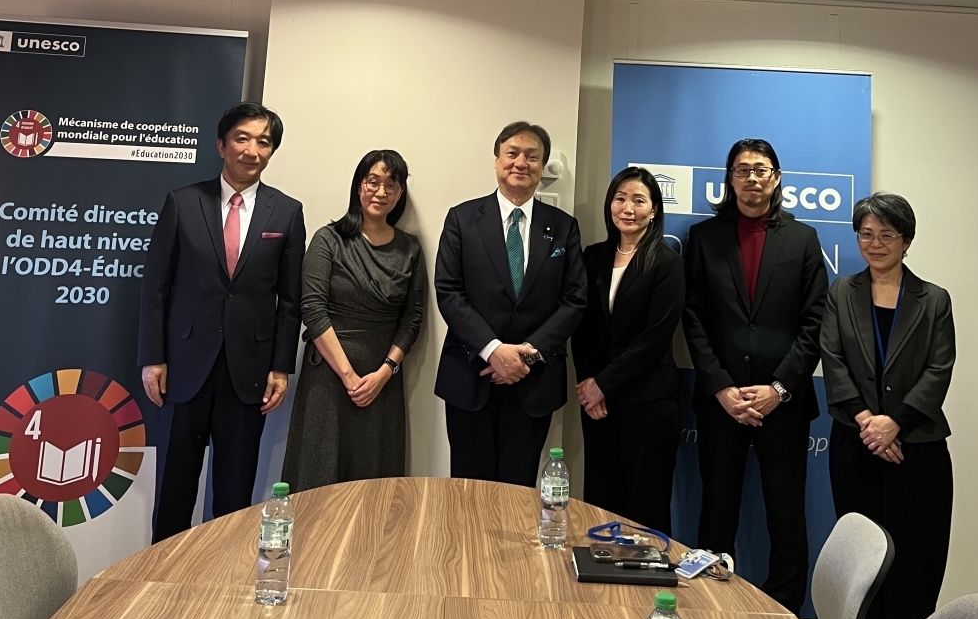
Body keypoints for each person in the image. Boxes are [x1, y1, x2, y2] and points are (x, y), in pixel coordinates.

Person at [138, 102, 305, 543]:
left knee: (233, 499)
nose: (252, 150)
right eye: (242, 138)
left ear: (271, 152)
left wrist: (281, 367)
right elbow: (156, 287)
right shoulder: (183, 202)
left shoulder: (286, 212)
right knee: (173, 493)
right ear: (222, 145)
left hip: (247, 373)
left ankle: (222, 585)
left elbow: (290, 300)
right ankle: (162, 584)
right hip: (184, 366)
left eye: (263, 142)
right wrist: (152, 358)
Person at [682, 139, 827, 615]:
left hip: (782, 404)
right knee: (716, 512)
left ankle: (782, 612)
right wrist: (722, 387)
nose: (752, 178)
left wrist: (779, 389)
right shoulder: (703, 238)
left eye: (761, 170)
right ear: (730, 179)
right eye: (742, 170)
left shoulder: (803, 239)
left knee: (786, 515)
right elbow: (693, 319)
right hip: (721, 402)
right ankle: (711, 607)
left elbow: (814, 322)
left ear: (777, 177)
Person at [820, 193, 955, 619]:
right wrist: (868, 421)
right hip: (855, 444)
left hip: (917, 448)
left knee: (914, 558)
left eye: (887, 235)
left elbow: (939, 368)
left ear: (906, 240)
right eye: (866, 234)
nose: (875, 243)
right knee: (860, 559)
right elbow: (833, 360)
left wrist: (894, 422)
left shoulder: (934, 299)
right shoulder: (842, 291)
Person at [434, 121, 587, 487]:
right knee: (469, 491)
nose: (521, 163)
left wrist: (527, 354)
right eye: (512, 153)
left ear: (542, 165)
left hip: (533, 383)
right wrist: (494, 350)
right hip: (471, 377)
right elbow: (449, 292)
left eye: (532, 156)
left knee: (519, 493)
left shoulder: (562, 227)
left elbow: (574, 299)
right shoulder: (463, 218)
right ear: (497, 160)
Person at [281, 150, 426, 490]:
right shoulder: (328, 240)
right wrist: (348, 376)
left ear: (400, 194)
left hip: (382, 381)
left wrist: (383, 373)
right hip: (329, 379)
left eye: (392, 184)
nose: (381, 191)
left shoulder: (410, 248)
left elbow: (413, 318)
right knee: (319, 475)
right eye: (373, 181)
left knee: (374, 483)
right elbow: (313, 310)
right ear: (359, 185)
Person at [571, 167, 685, 533]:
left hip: (647, 405)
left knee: (644, 512)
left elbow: (654, 338)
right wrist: (588, 384)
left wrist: (603, 384)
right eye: (620, 198)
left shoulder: (667, 263)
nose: (628, 208)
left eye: (639, 200)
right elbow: (581, 328)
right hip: (598, 406)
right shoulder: (593, 257)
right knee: (600, 508)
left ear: (654, 210)